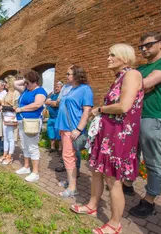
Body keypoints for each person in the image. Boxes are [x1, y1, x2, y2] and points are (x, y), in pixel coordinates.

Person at [71, 44, 143, 234]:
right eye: (108, 54)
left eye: (112, 55)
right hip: (107, 133)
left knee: (113, 179)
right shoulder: (119, 77)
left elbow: (124, 106)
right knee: (96, 170)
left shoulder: (132, 75)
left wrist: (100, 110)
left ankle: (114, 223)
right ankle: (93, 205)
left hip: (119, 136)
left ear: (125, 58)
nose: (108, 58)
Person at [122, 32, 161, 218]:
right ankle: (128, 185)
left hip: (152, 117)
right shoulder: (140, 67)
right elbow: (130, 87)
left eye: (148, 45)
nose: (144, 49)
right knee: (131, 155)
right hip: (133, 117)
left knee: (153, 162)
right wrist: (137, 86)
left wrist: (138, 85)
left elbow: (144, 84)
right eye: (141, 47)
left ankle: (149, 201)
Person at [55, 65, 93, 198]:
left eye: (69, 74)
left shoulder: (85, 89)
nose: (66, 76)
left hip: (72, 129)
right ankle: (71, 181)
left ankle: (73, 188)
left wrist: (78, 129)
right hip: (64, 127)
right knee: (70, 156)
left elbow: (87, 111)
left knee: (68, 157)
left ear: (77, 75)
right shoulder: (71, 89)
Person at [14, 70, 47, 182]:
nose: (25, 85)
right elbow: (15, 84)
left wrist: (21, 109)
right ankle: (27, 167)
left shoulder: (40, 91)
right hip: (22, 121)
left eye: (28, 83)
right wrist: (25, 80)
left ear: (35, 82)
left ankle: (35, 172)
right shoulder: (26, 90)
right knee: (24, 145)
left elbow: (37, 104)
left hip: (32, 122)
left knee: (32, 146)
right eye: (25, 83)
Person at [55, 83, 83, 174]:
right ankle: (67, 167)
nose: (67, 76)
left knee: (74, 149)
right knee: (67, 152)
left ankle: (76, 170)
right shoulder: (65, 87)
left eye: (69, 74)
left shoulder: (80, 88)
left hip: (72, 124)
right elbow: (58, 101)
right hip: (63, 123)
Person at [0, 75, 20, 165]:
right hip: (4, 116)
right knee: (5, 137)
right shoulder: (6, 93)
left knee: (10, 137)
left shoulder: (16, 93)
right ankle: (4, 155)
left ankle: (10, 157)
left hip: (11, 116)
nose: (4, 84)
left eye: (6, 82)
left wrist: (3, 107)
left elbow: (16, 107)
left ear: (10, 83)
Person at [45, 81, 63, 154]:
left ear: (62, 88)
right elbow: (46, 102)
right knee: (51, 132)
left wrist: (51, 102)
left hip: (58, 118)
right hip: (51, 118)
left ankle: (60, 149)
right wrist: (54, 103)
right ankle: (52, 147)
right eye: (55, 87)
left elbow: (58, 104)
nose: (56, 88)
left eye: (58, 87)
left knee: (58, 134)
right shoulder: (53, 95)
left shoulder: (62, 96)